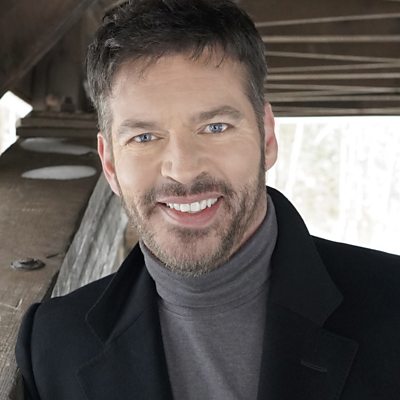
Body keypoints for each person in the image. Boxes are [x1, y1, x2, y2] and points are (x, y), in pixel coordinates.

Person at [15, 1, 400, 399]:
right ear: (110, 163)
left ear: (267, 138)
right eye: (144, 137)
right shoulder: (53, 346)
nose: (182, 170)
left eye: (215, 127)